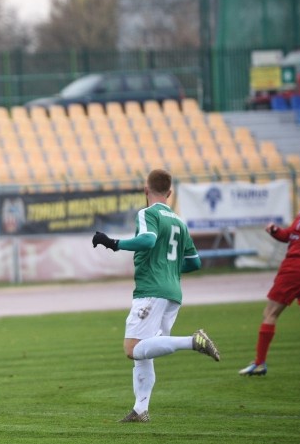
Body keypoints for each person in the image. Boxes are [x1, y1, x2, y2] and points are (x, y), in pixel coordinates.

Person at [92, 168, 221, 423]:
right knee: (145, 351)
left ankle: (193, 341)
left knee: (133, 349)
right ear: (170, 193)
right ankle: (140, 410)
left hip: (151, 290)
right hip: (172, 292)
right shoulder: (179, 222)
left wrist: (114, 243)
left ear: (145, 190)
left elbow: (149, 240)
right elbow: (195, 262)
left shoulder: (147, 213)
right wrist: (170, 269)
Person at [238, 211, 300, 376]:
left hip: (294, 268)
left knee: (270, 313)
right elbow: (290, 235)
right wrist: (275, 231)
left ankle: (259, 363)